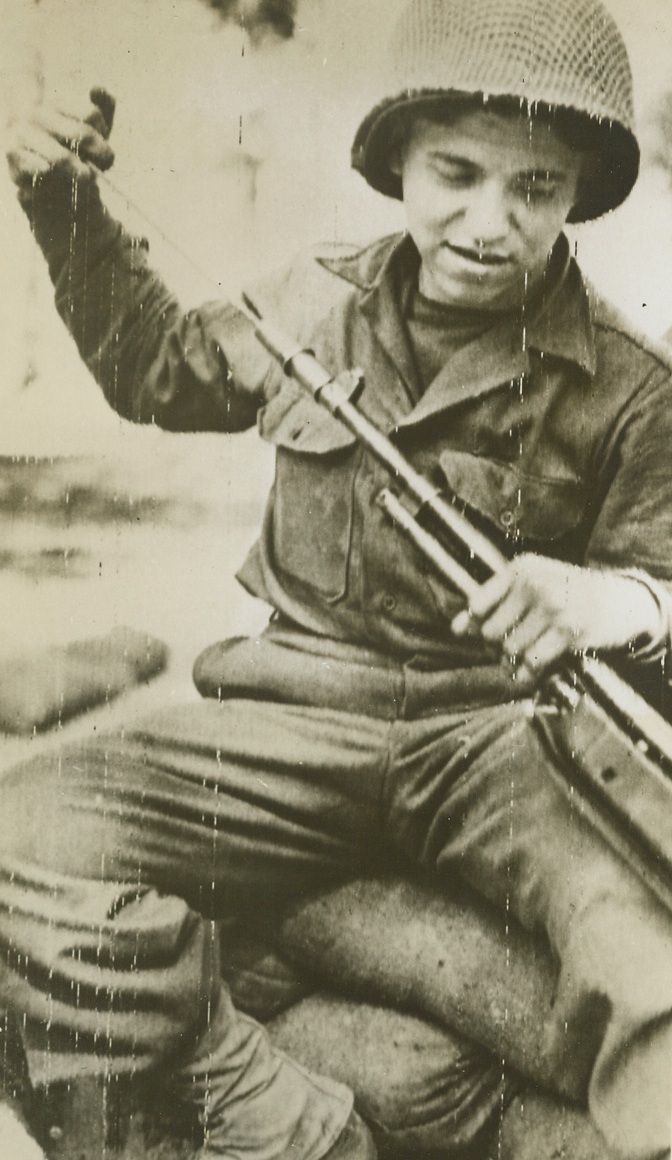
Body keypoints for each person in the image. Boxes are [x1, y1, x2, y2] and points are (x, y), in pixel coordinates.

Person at [3, 0, 672, 1156]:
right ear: (398, 157)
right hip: (290, 719)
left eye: (537, 187)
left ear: (577, 194)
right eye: (455, 172)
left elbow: (658, 576)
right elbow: (158, 368)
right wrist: (63, 200)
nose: (489, 222)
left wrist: (616, 602)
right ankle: (278, 1120)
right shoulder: (315, 298)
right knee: (21, 834)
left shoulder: (633, 382)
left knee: (638, 944)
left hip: (498, 738)